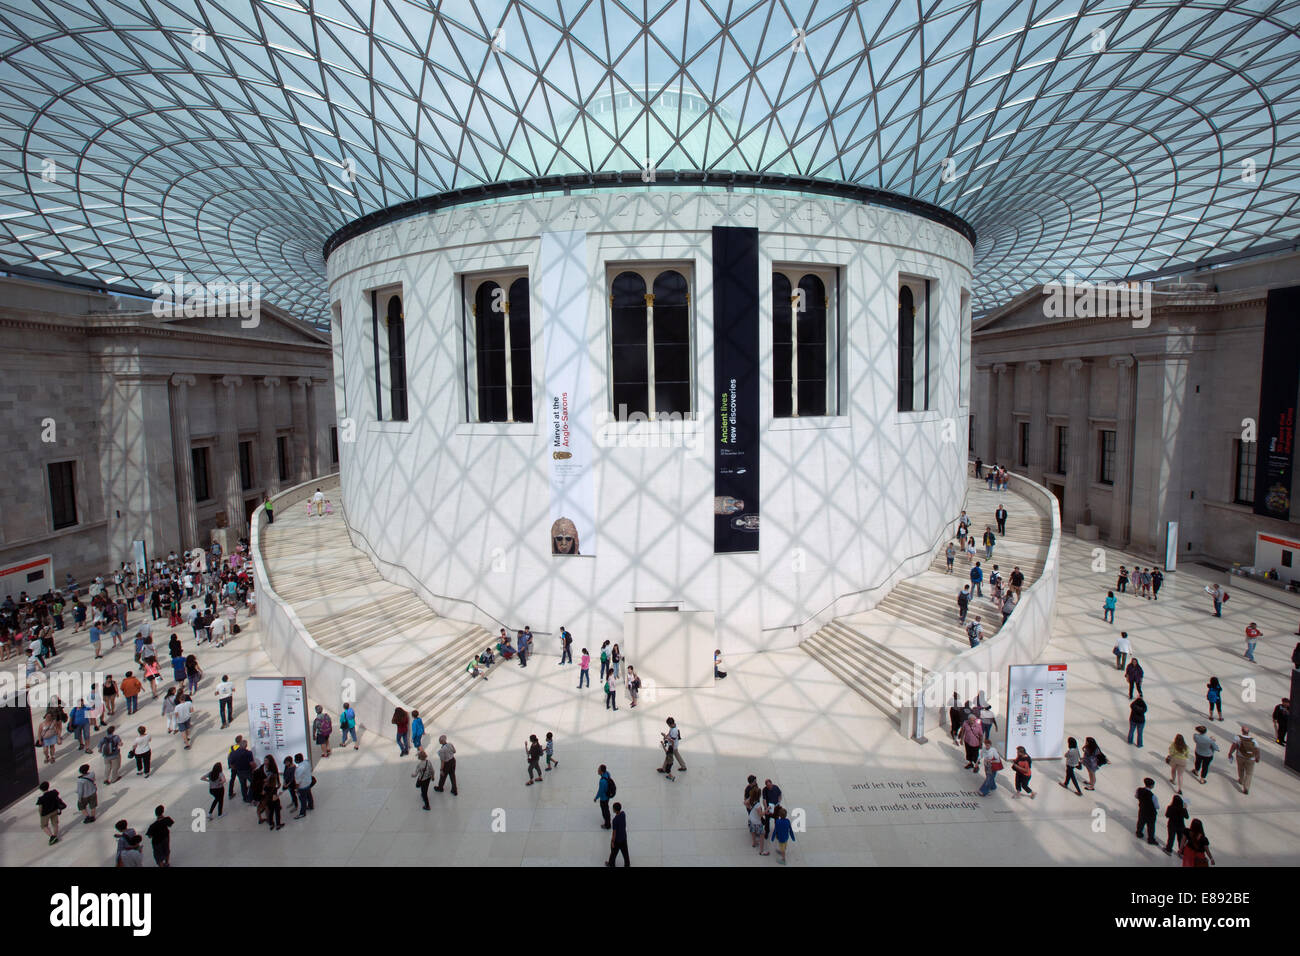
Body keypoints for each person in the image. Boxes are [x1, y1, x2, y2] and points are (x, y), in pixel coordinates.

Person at [1227, 726, 1260, 795]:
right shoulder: (1253, 740)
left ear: (1242, 731)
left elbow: (1234, 746)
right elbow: (1257, 750)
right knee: (1249, 773)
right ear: (1248, 732)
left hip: (1240, 756)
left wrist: (1230, 753)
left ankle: (1241, 780)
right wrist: (1257, 758)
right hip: (1251, 758)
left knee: (1240, 768)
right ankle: (1246, 788)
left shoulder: (1237, 738)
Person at [36, 781, 64, 845]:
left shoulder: (41, 799)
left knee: (44, 826)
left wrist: (40, 814)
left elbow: (40, 808)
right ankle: (55, 835)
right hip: (54, 810)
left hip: (45, 813)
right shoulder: (54, 793)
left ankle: (52, 837)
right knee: (55, 823)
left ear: (41, 789)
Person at [1135, 777, 1159, 845]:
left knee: (1141, 822)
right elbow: (1157, 806)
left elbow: (1136, 796)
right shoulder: (1153, 796)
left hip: (1142, 809)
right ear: (1151, 786)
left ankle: (1139, 832)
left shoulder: (1139, 790)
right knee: (1151, 826)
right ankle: (1151, 839)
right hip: (1151, 813)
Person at [606, 802, 629, 867]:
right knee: (625, 854)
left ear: (615, 810)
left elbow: (614, 832)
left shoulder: (615, 820)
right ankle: (627, 864)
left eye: (613, 808)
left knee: (613, 853)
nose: (612, 809)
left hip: (617, 840)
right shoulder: (623, 814)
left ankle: (611, 864)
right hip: (624, 838)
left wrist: (613, 841)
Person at [293, 752, 314, 817]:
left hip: (302, 786)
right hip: (308, 782)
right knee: (309, 795)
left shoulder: (298, 769)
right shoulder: (307, 763)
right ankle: (311, 806)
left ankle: (302, 813)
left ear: (297, 760)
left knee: (302, 799)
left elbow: (298, 781)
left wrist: (296, 789)